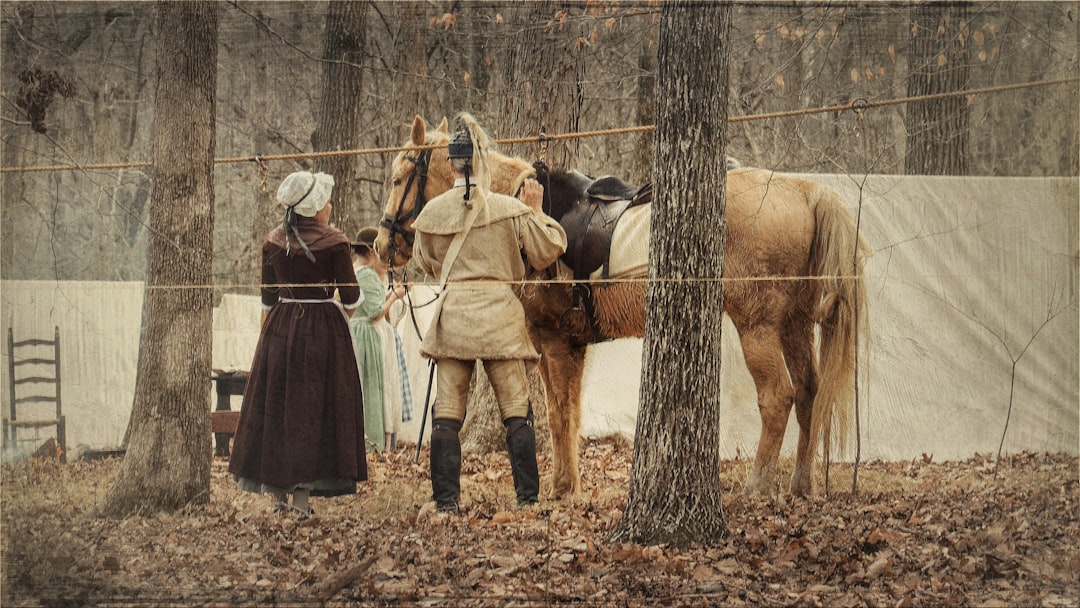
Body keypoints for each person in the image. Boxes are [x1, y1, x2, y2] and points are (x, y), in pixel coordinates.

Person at [412, 113, 567, 512]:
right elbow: (549, 248)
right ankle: (527, 500)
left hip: (455, 321)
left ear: (451, 165)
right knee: (516, 411)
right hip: (501, 319)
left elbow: (425, 261)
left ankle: (446, 504)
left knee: (447, 415)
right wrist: (533, 210)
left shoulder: (431, 215)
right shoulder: (508, 209)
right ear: (482, 162)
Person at [229, 170, 367, 519]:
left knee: (278, 408)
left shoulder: (272, 242)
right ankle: (301, 503)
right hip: (323, 333)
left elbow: (267, 299)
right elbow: (352, 297)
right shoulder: (336, 242)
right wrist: (335, 317)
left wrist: (273, 338)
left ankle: (277, 499)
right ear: (315, 206)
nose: (329, 205)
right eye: (324, 200)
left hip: (280, 328)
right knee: (312, 412)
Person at [349, 226, 410, 453]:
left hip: (361, 331)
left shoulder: (359, 272)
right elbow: (375, 311)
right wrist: (394, 296)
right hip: (367, 337)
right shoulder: (365, 274)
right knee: (371, 389)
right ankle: (370, 443)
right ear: (372, 252)